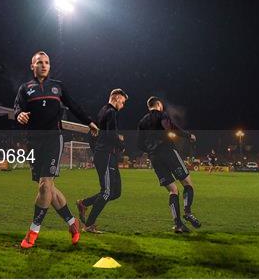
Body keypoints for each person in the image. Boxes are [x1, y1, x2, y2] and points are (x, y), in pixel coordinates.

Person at [14, 50, 99, 248]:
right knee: (47, 189)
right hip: (34, 142)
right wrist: (19, 115)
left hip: (54, 139)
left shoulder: (58, 87)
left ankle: (33, 232)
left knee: (45, 185)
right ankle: (72, 223)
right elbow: (17, 108)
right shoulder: (25, 88)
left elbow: (75, 106)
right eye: (39, 62)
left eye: (47, 62)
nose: (44, 65)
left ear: (49, 66)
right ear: (32, 66)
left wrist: (89, 122)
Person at [137, 96, 201, 233]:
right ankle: (188, 212)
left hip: (154, 158)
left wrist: (150, 150)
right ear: (158, 105)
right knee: (188, 184)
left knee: (173, 190)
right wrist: (188, 135)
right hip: (168, 152)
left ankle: (178, 224)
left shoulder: (142, 121)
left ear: (149, 106)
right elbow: (172, 128)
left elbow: (139, 143)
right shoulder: (162, 115)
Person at [77, 88, 128, 233]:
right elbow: (110, 135)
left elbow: (95, 134)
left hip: (108, 155)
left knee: (116, 192)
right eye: (123, 102)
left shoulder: (103, 111)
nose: (123, 106)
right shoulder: (111, 112)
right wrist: (121, 144)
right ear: (117, 98)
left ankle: (84, 203)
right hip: (105, 155)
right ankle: (89, 225)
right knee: (106, 192)